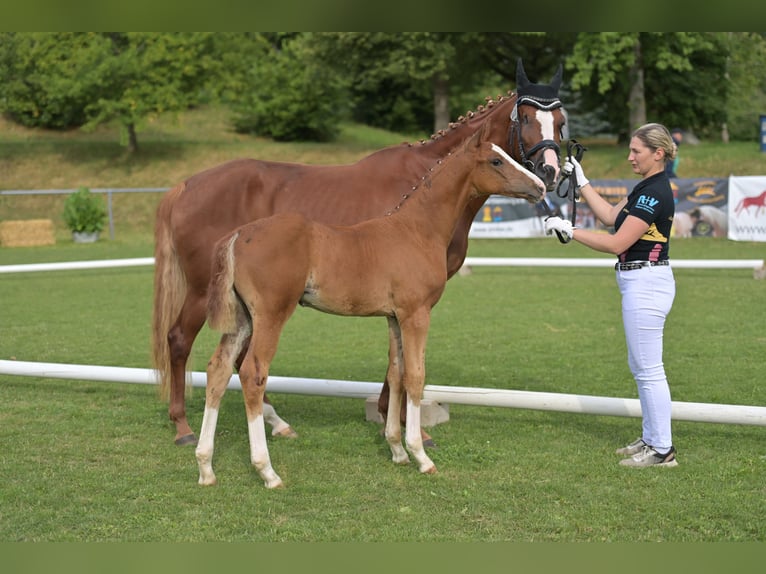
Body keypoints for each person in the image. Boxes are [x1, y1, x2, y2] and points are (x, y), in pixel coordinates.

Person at [544, 123, 678, 468]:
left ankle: (662, 449)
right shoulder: (647, 187)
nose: (630, 156)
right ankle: (652, 438)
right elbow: (608, 217)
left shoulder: (653, 193)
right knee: (642, 367)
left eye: (637, 151)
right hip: (641, 281)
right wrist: (583, 180)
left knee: (649, 370)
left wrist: (570, 231)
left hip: (646, 282)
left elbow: (618, 243)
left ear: (658, 153)